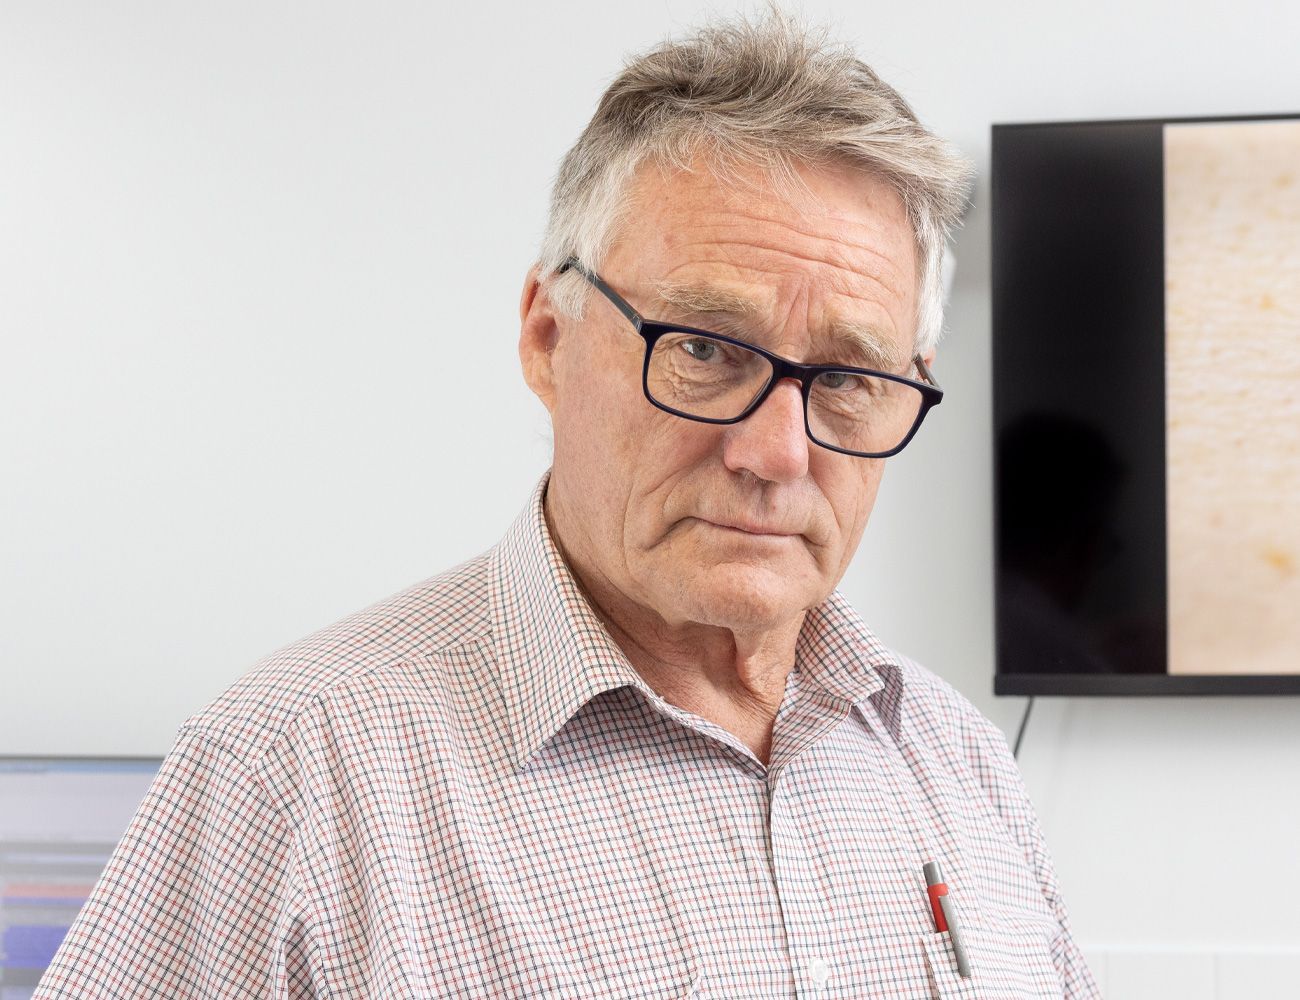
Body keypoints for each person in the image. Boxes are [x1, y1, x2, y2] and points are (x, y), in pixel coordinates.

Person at [34, 12, 1099, 999]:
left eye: (848, 378)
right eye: (705, 350)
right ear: (548, 337)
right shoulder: (293, 769)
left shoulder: (957, 764)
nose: (775, 453)